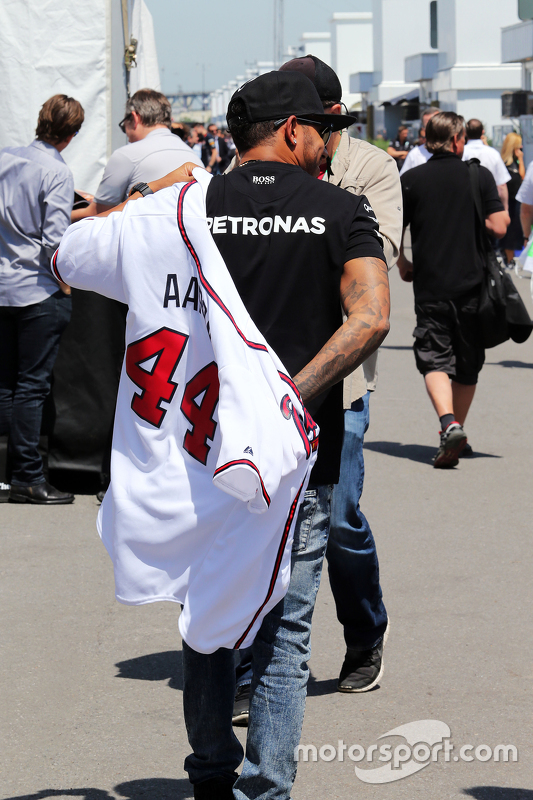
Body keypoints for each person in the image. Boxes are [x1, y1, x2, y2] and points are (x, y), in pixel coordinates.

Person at [232, 54, 401, 724]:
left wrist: (313, 209)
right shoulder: (254, 165)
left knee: (335, 523)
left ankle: (363, 632)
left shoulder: (369, 169)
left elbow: (377, 252)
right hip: (257, 380)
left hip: (341, 382)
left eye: (321, 124)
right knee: (257, 524)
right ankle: (257, 670)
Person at [398, 112, 509, 467]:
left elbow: (392, 226)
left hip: (430, 285)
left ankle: (449, 424)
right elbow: (500, 225)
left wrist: (402, 262)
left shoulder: (412, 179)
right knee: (467, 364)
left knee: (433, 356)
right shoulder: (479, 175)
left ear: (427, 139)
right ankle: (454, 428)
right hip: (473, 285)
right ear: (458, 140)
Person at [0, 94, 84, 504]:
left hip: (3, 285)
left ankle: (7, 475)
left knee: (5, 385)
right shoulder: (57, 171)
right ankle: (28, 477)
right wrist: (67, 285)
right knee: (32, 387)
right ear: (71, 134)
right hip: (35, 289)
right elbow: (54, 241)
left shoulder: (6, 157)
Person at [71, 89, 203, 221]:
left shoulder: (127, 155)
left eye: (124, 127)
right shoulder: (195, 159)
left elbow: (97, 214)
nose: (127, 135)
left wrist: (60, 217)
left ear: (134, 118)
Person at [462, 119, 510, 212]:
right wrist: (505, 208)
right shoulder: (493, 153)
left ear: (465, 132)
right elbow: (502, 185)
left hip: (466, 204)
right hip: (489, 204)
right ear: (482, 132)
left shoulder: (461, 152)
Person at [498, 132, 525, 266]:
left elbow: (522, 179)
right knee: (511, 234)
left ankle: (510, 258)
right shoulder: (504, 164)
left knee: (515, 233)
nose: (520, 151)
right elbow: (520, 178)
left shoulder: (516, 162)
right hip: (507, 204)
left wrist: (521, 160)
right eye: (518, 148)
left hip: (515, 203)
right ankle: (508, 259)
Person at [400, 107, 440, 175]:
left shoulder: (457, 150)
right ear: (423, 129)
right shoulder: (414, 155)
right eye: (428, 126)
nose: (432, 130)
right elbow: (403, 180)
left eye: (436, 125)